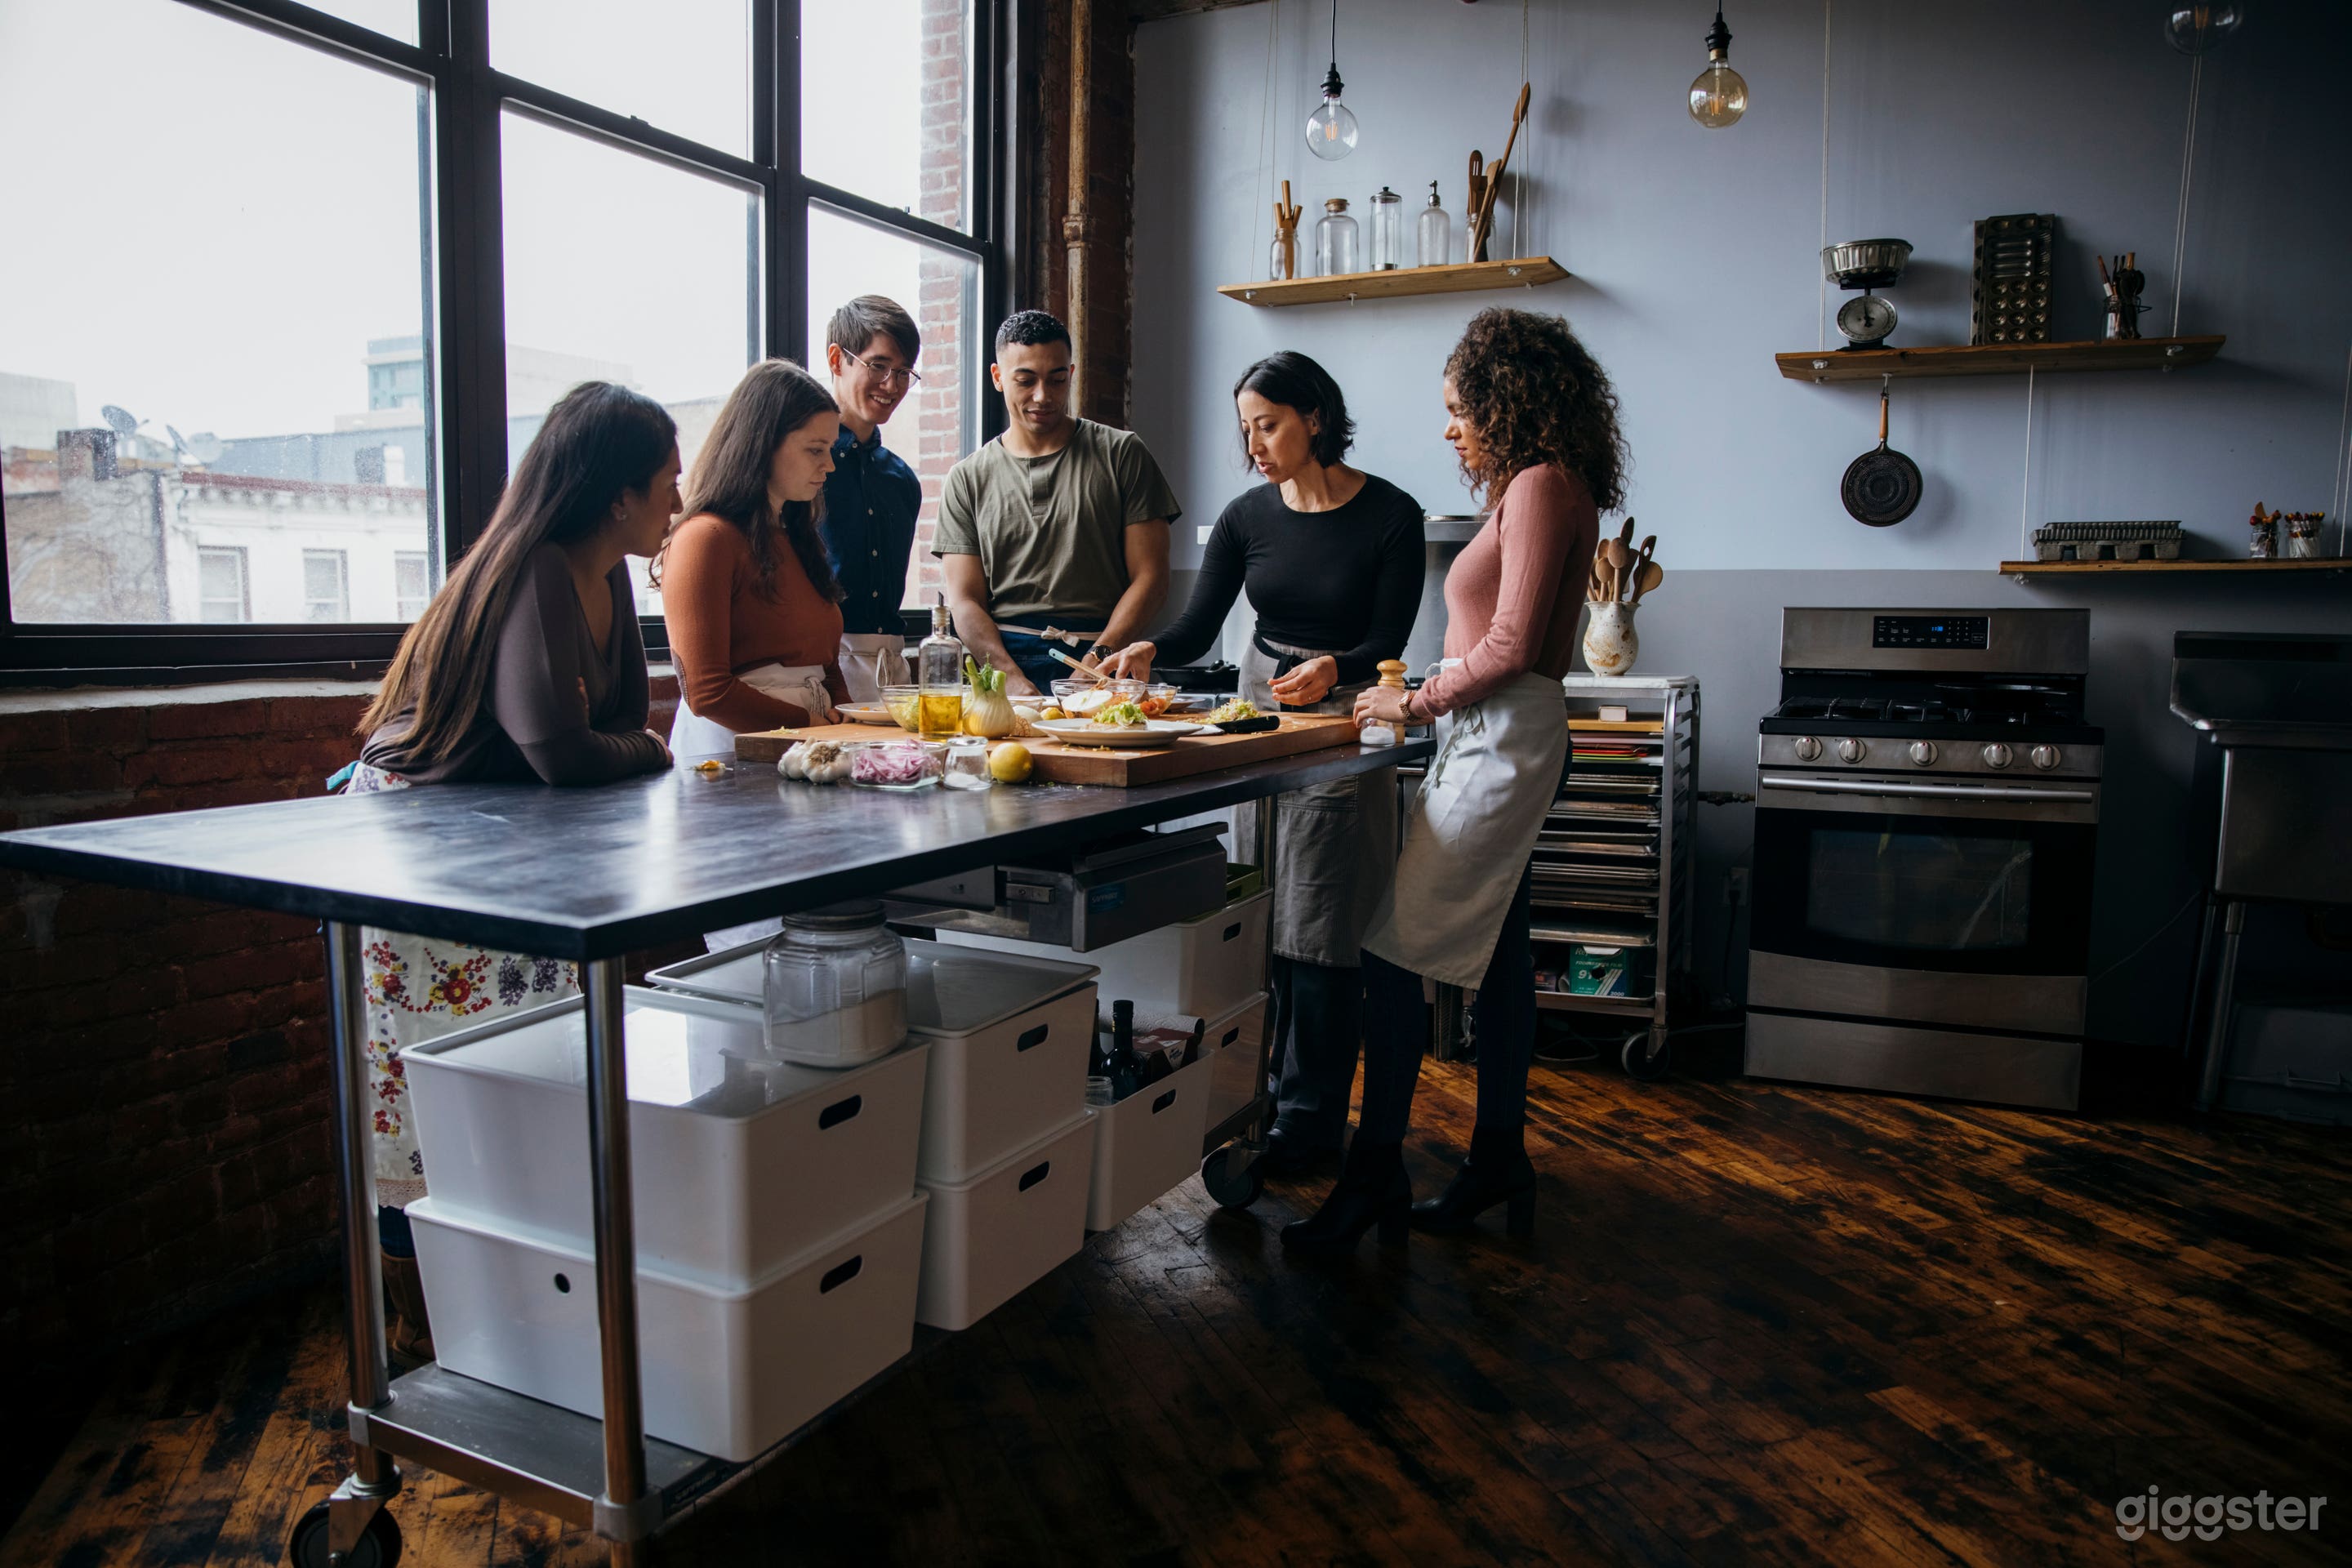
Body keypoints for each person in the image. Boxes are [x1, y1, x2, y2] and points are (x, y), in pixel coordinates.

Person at [350, 380, 683, 1358]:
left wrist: (626, 745)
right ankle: (423, 1327)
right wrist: (637, 749)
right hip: (423, 846)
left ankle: (515, 1303)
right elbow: (568, 751)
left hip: (501, 843)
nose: (677, 499)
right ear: (617, 494)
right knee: (425, 1087)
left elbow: (610, 731)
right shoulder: (532, 569)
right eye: (666, 481)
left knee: (527, 1065)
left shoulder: (607, 576)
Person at [1284, 308, 1618, 1258]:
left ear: (1506, 397)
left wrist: (1415, 703)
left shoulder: (1544, 487)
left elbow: (1509, 646)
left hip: (1503, 739)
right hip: (1495, 732)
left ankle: (1373, 1171)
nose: (1449, 427)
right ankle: (1498, 1158)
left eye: (1457, 406)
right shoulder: (1537, 485)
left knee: (1391, 959)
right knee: (1502, 952)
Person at [1102, 351, 1423, 1178]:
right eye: (1245, 429)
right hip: (1259, 714)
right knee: (1258, 912)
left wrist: (1337, 669)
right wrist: (1147, 648)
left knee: (1323, 927)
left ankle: (1310, 1121)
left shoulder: (1392, 514)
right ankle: (1253, 1097)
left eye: (1269, 425)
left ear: (1315, 417)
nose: (1255, 445)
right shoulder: (1248, 516)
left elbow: (1390, 638)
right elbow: (1196, 627)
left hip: (1345, 719)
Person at [935, 310, 1182, 695]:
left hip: (1104, 654)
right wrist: (1009, 679)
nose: (1043, 396)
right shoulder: (966, 478)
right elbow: (964, 600)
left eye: (1056, 379)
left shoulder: (1122, 453)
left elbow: (1151, 577)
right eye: (1025, 381)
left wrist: (1098, 657)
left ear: (1071, 373)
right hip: (1000, 658)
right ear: (998, 378)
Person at [660, 358, 849, 758]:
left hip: (810, 745)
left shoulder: (799, 537)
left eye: (830, 449)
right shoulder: (705, 539)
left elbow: (828, 666)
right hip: (731, 751)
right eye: (815, 449)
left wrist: (845, 723)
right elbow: (707, 693)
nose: (829, 465)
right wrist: (814, 728)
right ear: (762, 444)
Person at [819, 295, 924, 702]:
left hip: (893, 671)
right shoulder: (800, 467)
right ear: (836, 360)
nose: (892, 386)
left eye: (903, 373)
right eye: (878, 366)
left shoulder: (902, 480)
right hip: (820, 667)